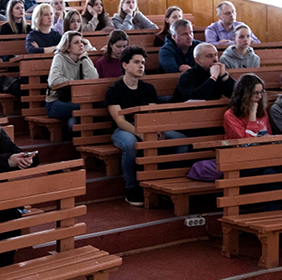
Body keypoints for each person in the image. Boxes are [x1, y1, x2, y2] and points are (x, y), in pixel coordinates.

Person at [106, 46, 185, 205]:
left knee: (181, 141)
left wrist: (157, 129)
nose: (141, 65)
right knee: (130, 144)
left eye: (142, 62)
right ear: (125, 65)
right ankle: (131, 189)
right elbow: (120, 120)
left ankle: (165, 183)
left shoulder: (148, 88)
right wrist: (140, 134)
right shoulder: (114, 90)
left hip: (147, 126)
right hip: (124, 129)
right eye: (136, 62)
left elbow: (152, 115)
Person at [46, 30, 98, 128]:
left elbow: (94, 79)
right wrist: (76, 83)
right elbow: (54, 81)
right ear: (68, 47)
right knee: (90, 107)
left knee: (73, 123)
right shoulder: (59, 57)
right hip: (56, 102)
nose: (81, 45)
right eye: (76, 42)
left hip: (77, 100)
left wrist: (84, 59)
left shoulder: (84, 57)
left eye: (81, 42)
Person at [223, 74, 270, 139]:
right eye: (255, 93)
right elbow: (245, 142)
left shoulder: (262, 111)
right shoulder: (230, 115)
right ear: (244, 93)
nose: (259, 96)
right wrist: (252, 114)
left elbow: (268, 135)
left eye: (261, 92)